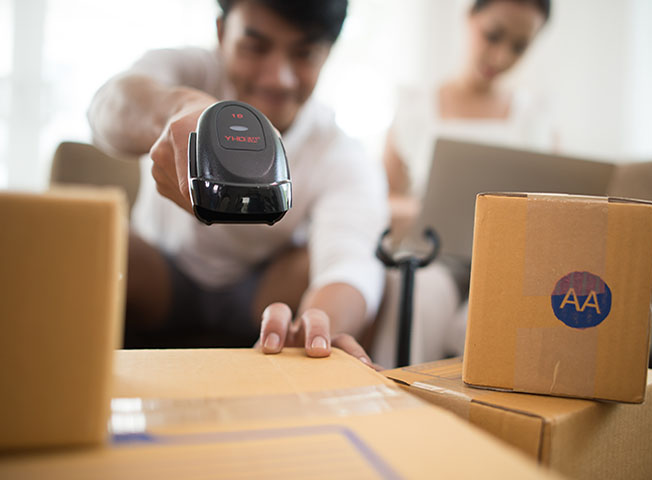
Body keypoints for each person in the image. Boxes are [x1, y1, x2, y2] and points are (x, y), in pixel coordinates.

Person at [87, 0, 388, 364]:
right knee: (95, 240)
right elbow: (106, 107)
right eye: (255, 47)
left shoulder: (339, 150)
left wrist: (321, 325)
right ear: (221, 31)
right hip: (162, 274)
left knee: (321, 265)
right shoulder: (188, 69)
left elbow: (350, 262)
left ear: (327, 54)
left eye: (304, 54)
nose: (278, 77)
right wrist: (176, 111)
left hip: (261, 294)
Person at [373, 0, 553, 366]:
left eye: (519, 46)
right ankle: (395, 403)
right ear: (470, 17)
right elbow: (383, 200)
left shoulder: (536, 119)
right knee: (419, 295)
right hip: (435, 258)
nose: (501, 56)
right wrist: (427, 211)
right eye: (493, 35)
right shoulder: (415, 109)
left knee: (489, 312)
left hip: (512, 267)